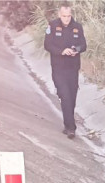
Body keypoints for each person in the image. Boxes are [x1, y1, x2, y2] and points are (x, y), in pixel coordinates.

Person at [43, 3, 86, 137]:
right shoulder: (52, 26)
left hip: (72, 68)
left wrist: (76, 50)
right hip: (58, 68)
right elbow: (47, 45)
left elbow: (83, 45)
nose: (66, 19)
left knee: (72, 98)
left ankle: (68, 125)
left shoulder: (77, 27)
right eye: (64, 16)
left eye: (68, 16)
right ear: (59, 15)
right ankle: (71, 127)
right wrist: (62, 51)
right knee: (65, 95)